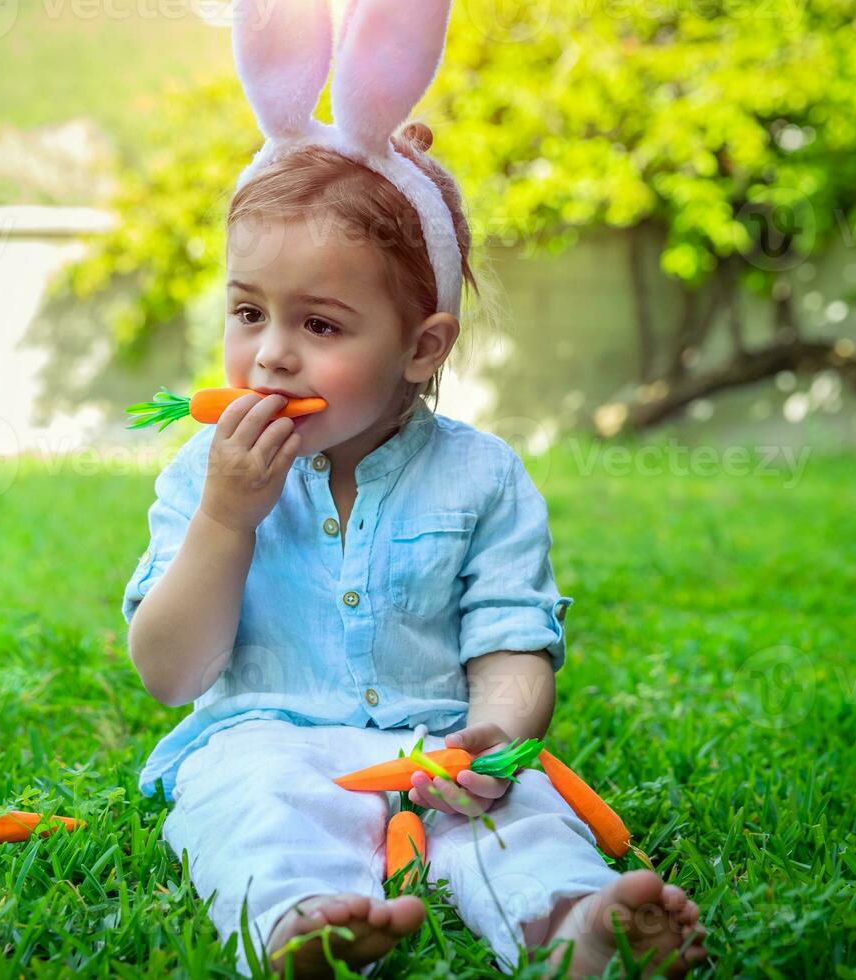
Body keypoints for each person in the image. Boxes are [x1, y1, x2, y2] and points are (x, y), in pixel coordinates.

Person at [122, 2, 708, 976]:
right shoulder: (203, 473)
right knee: (248, 794)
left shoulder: (482, 478)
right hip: (265, 731)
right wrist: (227, 519)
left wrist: (497, 733)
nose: (268, 354)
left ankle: (575, 922)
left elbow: (512, 640)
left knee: (521, 807)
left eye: (320, 324)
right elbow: (170, 674)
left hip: (440, 751)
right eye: (247, 310)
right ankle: (301, 919)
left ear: (421, 345)